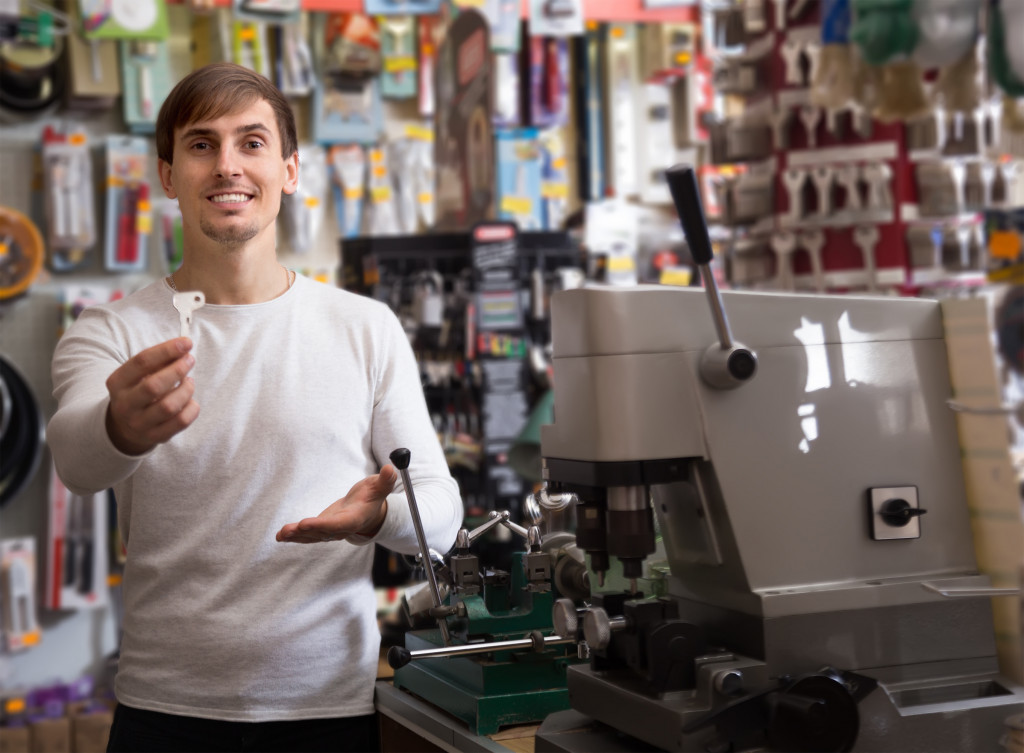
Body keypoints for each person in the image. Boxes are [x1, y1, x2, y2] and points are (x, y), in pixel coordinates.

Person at [48, 62, 463, 753]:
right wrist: (119, 426)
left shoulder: (365, 327)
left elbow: (440, 511)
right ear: (167, 174)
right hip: (166, 711)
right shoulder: (111, 331)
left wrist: (379, 515)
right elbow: (73, 458)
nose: (227, 165)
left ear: (291, 170)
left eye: (252, 142)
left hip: (329, 709)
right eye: (202, 144)